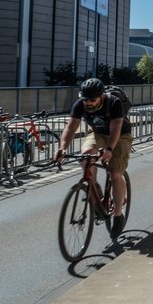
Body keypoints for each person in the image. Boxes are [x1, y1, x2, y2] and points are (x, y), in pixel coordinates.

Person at [55, 78, 132, 238]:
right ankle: (94, 191)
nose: (88, 103)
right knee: (86, 156)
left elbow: (116, 126)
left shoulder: (114, 103)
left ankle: (118, 215)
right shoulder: (80, 105)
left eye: (92, 100)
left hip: (120, 135)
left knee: (115, 173)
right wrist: (62, 148)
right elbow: (70, 127)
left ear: (101, 96)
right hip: (97, 133)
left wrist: (110, 148)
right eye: (85, 99)